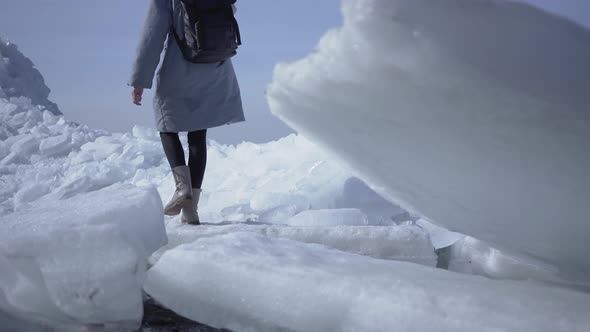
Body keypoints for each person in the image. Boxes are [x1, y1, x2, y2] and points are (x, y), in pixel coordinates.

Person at [128, 0, 245, 225]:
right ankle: (191, 210)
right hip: (214, 67)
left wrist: (140, 80)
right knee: (197, 134)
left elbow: (152, 34)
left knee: (166, 126)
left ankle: (183, 190)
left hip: (178, 67)